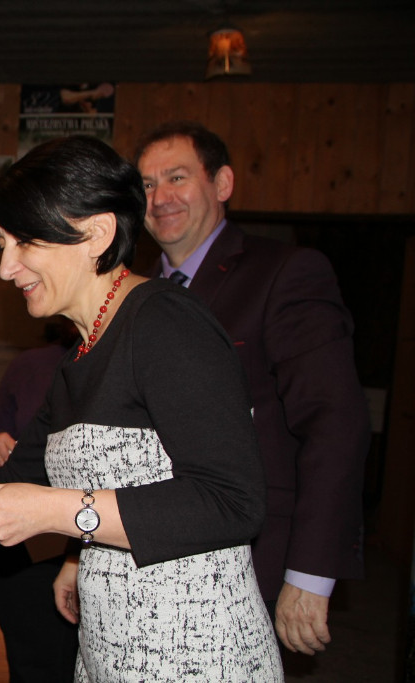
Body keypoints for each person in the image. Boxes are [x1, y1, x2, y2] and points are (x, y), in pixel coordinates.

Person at [0, 135, 282, 681]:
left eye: (24, 243)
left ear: (97, 233)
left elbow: (232, 501)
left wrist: (56, 514)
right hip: (107, 646)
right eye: (2, 244)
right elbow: (10, 479)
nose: (5, 268)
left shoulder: (166, 322)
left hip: (193, 651)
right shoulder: (79, 355)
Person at [134, 121, 369, 656]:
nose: (160, 197)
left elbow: (334, 420)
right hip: (144, 558)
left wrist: (310, 573)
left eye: (177, 177)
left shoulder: (285, 273)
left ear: (222, 184)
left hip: (252, 559)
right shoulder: (134, 292)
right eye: (147, 184)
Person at [0, 322, 78, 682]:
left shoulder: (118, 358)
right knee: (30, 664)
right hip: (25, 542)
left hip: (89, 536)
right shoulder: (31, 363)